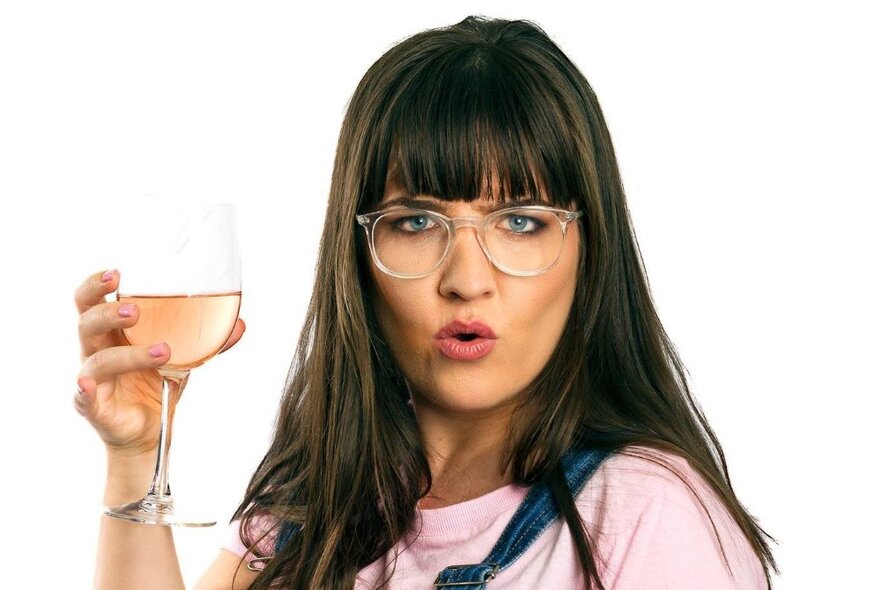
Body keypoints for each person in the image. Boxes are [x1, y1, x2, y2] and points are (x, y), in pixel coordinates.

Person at [74, 16, 778, 590]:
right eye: (416, 222)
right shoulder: (313, 506)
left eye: (521, 221)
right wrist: (136, 457)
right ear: (359, 253)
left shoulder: (645, 517)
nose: (467, 279)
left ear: (588, 248)